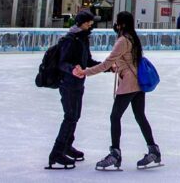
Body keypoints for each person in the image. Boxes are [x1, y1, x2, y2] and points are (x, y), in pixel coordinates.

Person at [77, 11, 161, 170]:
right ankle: (153, 149)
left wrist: (84, 72)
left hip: (129, 84)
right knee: (140, 116)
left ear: (121, 24)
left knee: (115, 116)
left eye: (117, 22)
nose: (115, 25)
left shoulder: (123, 40)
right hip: (138, 83)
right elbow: (128, 61)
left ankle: (115, 153)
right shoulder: (133, 38)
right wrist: (118, 67)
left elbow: (106, 64)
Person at [48, 10, 101, 169]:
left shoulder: (83, 39)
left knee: (75, 116)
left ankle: (66, 146)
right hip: (68, 84)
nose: (91, 25)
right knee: (70, 116)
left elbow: (88, 61)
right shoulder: (70, 40)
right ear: (81, 23)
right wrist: (72, 69)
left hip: (78, 83)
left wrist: (106, 67)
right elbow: (62, 63)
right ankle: (57, 152)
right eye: (88, 22)